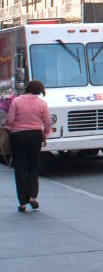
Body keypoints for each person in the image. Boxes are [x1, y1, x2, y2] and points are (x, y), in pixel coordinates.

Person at [5, 80, 51, 212]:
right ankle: (32, 197)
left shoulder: (17, 101)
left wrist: (7, 127)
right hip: (35, 136)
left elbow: (10, 120)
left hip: (18, 136)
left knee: (20, 168)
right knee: (33, 167)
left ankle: (23, 202)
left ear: (27, 88)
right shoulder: (42, 103)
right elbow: (48, 123)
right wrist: (45, 134)